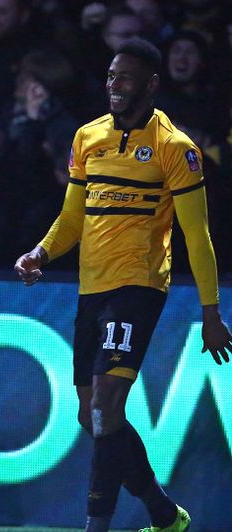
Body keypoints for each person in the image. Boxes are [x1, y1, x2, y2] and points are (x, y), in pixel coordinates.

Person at [14, 37, 232, 532]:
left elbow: (197, 236)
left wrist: (211, 313)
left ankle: (97, 527)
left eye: (125, 77)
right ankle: (163, 514)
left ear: (151, 85)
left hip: (138, 286)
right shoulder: (87, 138)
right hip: (91, 289)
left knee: (106, 406)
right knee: (90, 418)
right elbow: (72, 217)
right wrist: (41, 252)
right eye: (111, 76)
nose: (114, 85)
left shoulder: (176, 149)